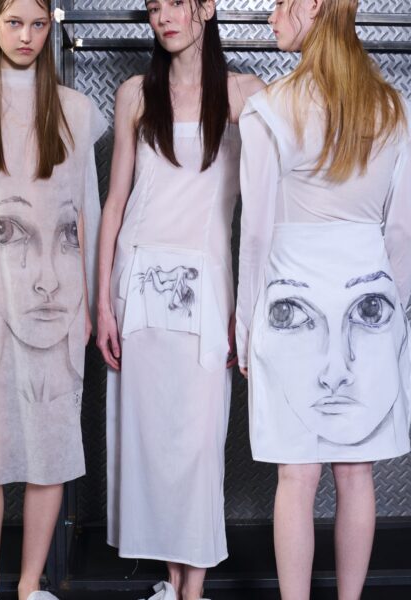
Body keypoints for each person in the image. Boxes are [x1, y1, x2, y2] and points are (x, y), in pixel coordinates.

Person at [0, 0, 106, 598]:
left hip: (58, 305)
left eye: (38, 24)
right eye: (14, 23)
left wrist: (89, 304)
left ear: (50, 25)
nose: (27, 36)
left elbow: (86, 215)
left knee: (51, 444)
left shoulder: (76, 112)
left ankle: (31, 585)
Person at [236, 1, 411, 599]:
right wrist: (392, 316)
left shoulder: (269, 109)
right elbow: (402, 231)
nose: (270, 18)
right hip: (370, 305)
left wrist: (246, 325)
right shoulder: (394, 107)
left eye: (280, 4)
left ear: (312, 6)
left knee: (296, 475)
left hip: (292, 305)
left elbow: (255, 233)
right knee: (357, 474)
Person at [96, 1, 264, 599]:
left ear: (207, 7)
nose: (163, 16)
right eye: (153, 6)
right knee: (148, 443)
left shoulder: (245, 95)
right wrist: (103, 303)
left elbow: (270, 203)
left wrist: (250, 306)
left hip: (208, 288)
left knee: (197, 443)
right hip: (139, 281)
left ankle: (194, 589)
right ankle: (172, 586)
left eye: (175, 2)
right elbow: (115, 203)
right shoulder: (135, 95)